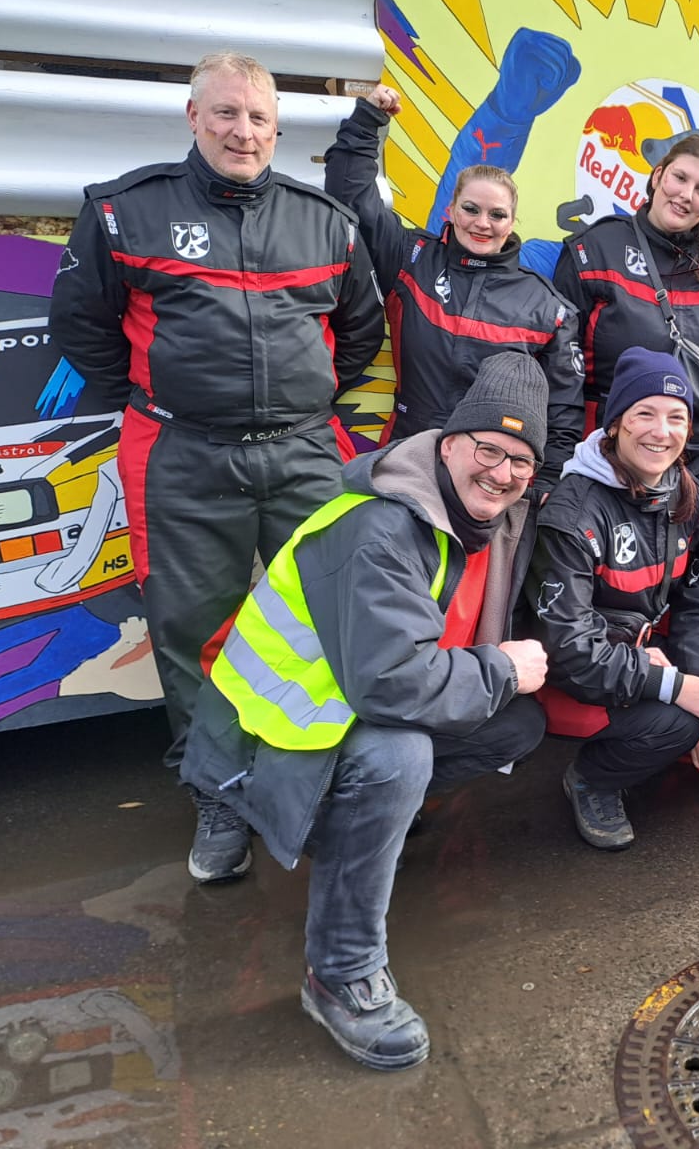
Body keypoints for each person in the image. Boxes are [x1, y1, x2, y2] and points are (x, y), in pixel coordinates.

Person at [49, 52, 384, 881]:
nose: (244, 132)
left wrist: (302, 403)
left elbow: (360, 331)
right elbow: (81, 326)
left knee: (337, 617)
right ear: (193, 117)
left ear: (278, 128)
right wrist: (168, 395)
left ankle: (339, 785)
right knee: (196, 634)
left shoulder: (325, 219)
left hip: (305, 450)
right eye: (226, 113)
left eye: (259, 117)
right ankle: (221, 796)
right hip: (181, 455)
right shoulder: (125, 211)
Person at [179, 354, 553, 1071]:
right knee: (398, 758)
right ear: (449, 444)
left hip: (324, 717)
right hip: (254, 742)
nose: (503, 473)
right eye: (489, 450)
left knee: (514, 726)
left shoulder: (464, 513)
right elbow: (391, 686)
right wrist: (503, 667)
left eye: (521, 462)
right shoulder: (380, 527)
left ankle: (360, 834)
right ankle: (341, 974)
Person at [528, 347, 699, 849]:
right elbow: (568, 649)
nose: (661, 431)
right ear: (615, 424)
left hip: (642, 654)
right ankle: (592, 780)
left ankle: (662, 740)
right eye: (644, 414)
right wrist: (672, 685)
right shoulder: (573, 512)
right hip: (568, 677)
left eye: (676, 417)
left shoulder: (687, 493)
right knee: (680, 719)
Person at [323, 84, 583, 476]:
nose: (482, 223)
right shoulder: (412, 258)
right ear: (452, 209)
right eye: (471, 209)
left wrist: (546, 481)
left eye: (497, 214)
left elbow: (563, 413)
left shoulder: (546, 307)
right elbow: (350, 195)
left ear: (512, 221)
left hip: (489, 475)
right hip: (406, 460)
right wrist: (367, 120)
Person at [553, 136, 699, 486]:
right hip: (612, 450)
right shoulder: (594, 250)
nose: (686, 195)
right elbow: (561, 370)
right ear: (657, 177)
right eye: (679, 178)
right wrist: (555, 462)